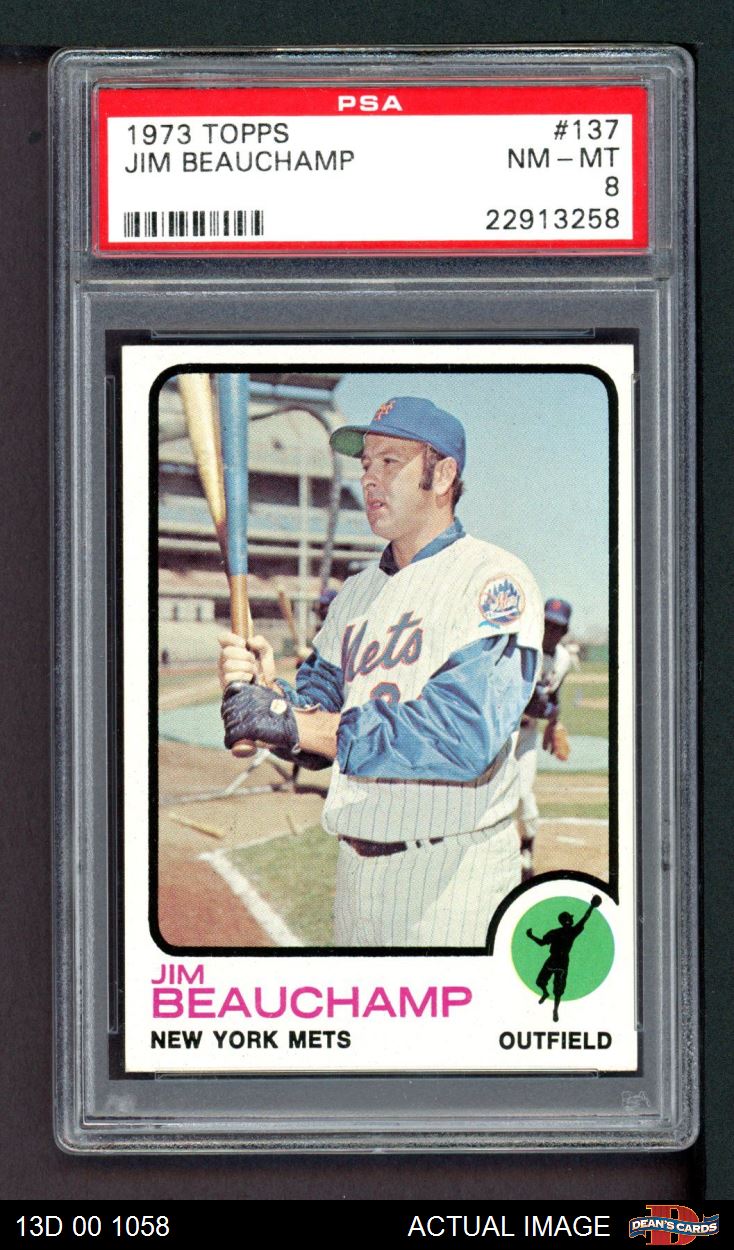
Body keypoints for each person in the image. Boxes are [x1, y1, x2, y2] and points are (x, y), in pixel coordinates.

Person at [218, 396, 543, 947]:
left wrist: (291, 720)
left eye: (390, 462)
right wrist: (267, 693)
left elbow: (463, 736)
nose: (369, 478)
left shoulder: (491, 578)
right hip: (355, 875)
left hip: (451, 878)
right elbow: (315, 720)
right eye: (366, 463)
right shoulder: (355, 594)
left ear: (444, 475)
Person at [515, 599, 574, 881]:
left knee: (524, 795)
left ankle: (526, 852)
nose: (550, 630)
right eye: (547, 623)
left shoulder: (563, 659)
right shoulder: (523, 649)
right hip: (502, 732)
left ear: (564, 632)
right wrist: (542, 708)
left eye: (557, 626)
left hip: (526, 734)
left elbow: (553, 697)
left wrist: (554, 720)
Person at [527, 895, 602, 1021]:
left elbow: (541, 943)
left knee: (548, 985)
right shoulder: (571, 931)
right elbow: (585, 918)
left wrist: (531, 936)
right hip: (560, 962)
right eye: (570, 918)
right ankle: (550, 1000)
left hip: (555, 961)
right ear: (568, 920)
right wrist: (591, 907)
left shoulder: (558, 932)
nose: (572, 920)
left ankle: (553, 1007)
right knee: (555, 988)